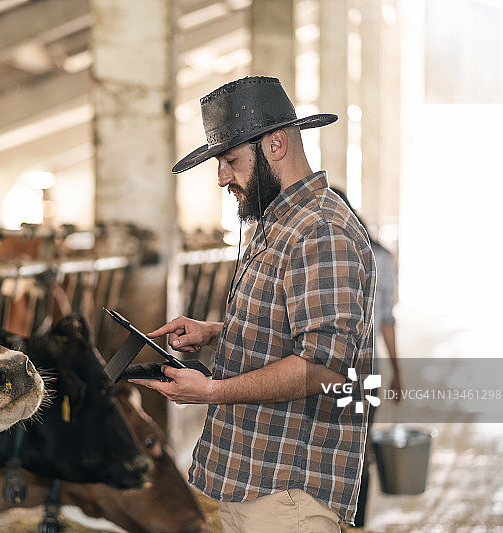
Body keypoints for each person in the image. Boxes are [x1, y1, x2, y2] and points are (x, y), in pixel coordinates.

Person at [129, 76, 376, 532]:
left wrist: (211, 392)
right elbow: (296, 326)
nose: (222, 178)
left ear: (276, 145)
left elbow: (323, 366)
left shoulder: (319, 230)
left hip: (289, 493)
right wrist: (218, 331)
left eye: (230, 161)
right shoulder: (278, 220)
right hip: (256, 479)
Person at [330, 187, 402, 527]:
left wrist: (399, 372)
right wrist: (397, 371)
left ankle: (343, 520)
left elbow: (386, 317)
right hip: (360, 373)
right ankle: (351, 522)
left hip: (336, 371)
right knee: (356, 449)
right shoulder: (379, 256)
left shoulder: (342, 255)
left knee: (336, 447)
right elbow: (387, 318)